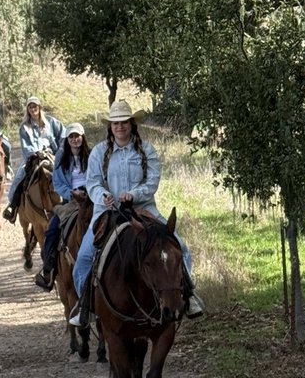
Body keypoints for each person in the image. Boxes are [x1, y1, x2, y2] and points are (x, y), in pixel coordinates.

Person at [69, 100, 204, 325]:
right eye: (115, 123)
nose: (120, 127)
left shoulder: (147, 150)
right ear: (110, 126)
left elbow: (152, 181)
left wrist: (134, 194)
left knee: (180, 248)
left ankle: (187, 296)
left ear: (132, 124)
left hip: (144, 209)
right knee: (83, 259)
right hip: (107, 211)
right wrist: (103, 195)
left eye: (124, 122)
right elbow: (92, 182)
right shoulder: (98, 153)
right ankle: (87, 306)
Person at [33, 122, 90, 290]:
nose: (74, 139)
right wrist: (71, 194)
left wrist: (90, 191)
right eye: (71, 137)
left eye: (77, 136)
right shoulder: (61, 157)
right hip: (71, 200)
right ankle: (48, 270)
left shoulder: (92, 155)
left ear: (82, 137)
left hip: (91, 197)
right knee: (51, 231)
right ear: (67, 139)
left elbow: (98, 176)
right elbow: (57, 183)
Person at [2, 95, 65, 224]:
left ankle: (70, 200)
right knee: (20, 176)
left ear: (40, 107)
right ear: (27, 109)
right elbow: (25, 146)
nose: (33, 109)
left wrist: (60, 152)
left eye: (35, 106)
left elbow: (63, 136)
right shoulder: (24, 127)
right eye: (30, 107)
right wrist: (35, 153)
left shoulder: (52, 122)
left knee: (63, 172)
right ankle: (12, 205)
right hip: (33, 156)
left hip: (52, 154)